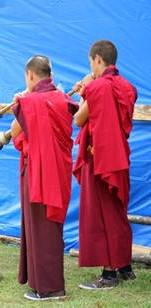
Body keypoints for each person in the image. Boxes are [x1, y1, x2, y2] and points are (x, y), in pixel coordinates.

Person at [9, 55, 78, 301]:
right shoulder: (63, 98)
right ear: (50, 74)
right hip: (58, 170)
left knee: (40, 226)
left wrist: (18, 104)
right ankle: (43, 283)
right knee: (51, 226)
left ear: (30, 75)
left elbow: (14, 132)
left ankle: (50, 288)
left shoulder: (29, 102)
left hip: (38, 171)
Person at [72, 40, 137, 290]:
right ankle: (124, 266)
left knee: (101, 215)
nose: (91, 67)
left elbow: (79, 119)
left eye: (91, 62)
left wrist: (86, 91)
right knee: (117, 212)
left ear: (98, 59)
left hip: (99, 159)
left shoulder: (99, 87)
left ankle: (108, 275)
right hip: (119, 157)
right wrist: (87, 91)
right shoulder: (127, 87)